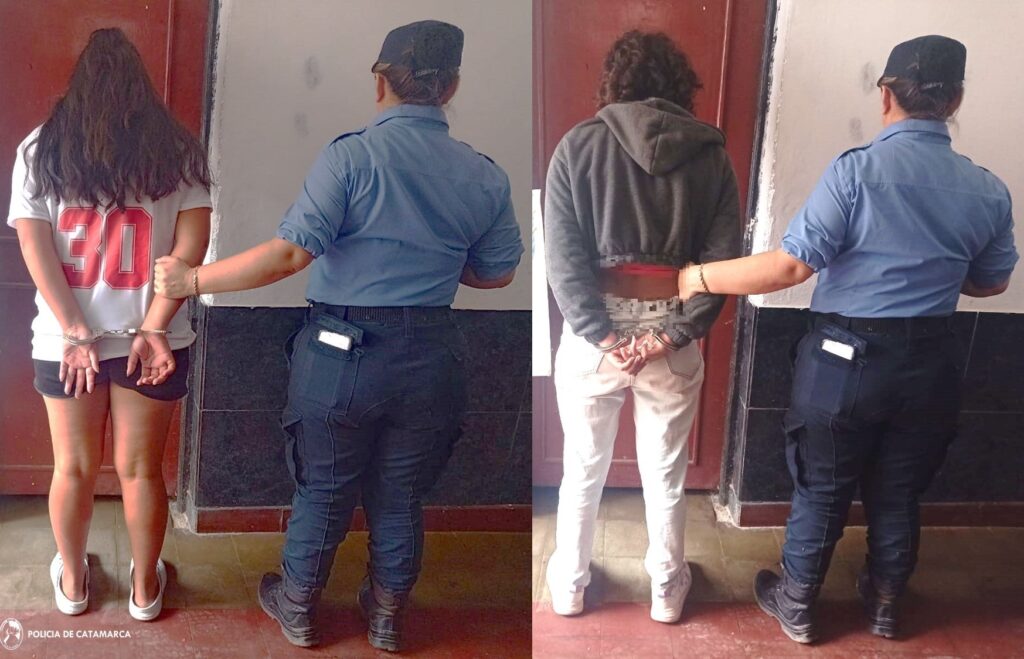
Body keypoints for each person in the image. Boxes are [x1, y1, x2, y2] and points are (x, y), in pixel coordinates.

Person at [155, 19, 522, 652]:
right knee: (401, 495)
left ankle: (298, 607)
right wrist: (429, 261)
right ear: (452, 86)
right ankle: (387, 616)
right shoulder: (483, 174)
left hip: (341, 352)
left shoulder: (352, 157)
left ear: (381, 82)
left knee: (323, 489)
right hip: (432, 354)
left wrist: (190, 280)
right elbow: (497, 273)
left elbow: (289, 256)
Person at [679, 35, 1017, 644]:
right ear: (956, 100)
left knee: (823, 488)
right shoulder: (987, 189)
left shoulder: (856, 171)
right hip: (932, 364)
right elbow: (991, 283)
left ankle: (797, 603)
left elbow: (791, 267)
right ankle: (886, 604)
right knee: (899, 491)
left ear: (886, 94)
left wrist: (696, 277)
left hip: (846, 362)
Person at [8, 29, 212, 621]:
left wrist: (75, 330)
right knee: (142, 471)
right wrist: (153, 326)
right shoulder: (178, 150)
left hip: (67, 344)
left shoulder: (39, 148)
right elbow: (192, 248)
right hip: (153, 341)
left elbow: (33, 245)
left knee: (72, 468)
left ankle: (74, 584)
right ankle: (145, 590)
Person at [543, 31, 741, 622]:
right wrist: (668, 336)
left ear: (615, 84)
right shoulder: (711, 156)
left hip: (593, 342)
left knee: (582, 468)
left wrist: (604, 337)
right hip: (671, 339)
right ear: (680, 86)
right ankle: (665, 591)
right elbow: (722, 266)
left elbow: (563, 262)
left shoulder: (577, 147)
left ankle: (570, 586)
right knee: (665, 473)